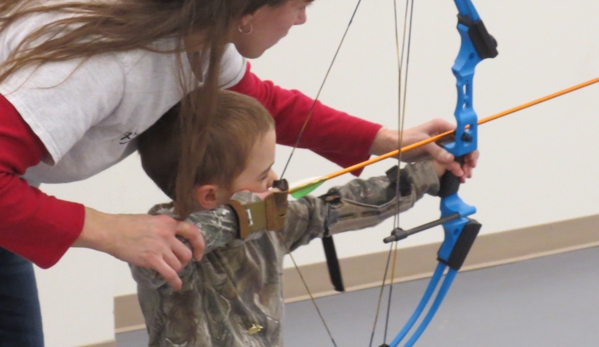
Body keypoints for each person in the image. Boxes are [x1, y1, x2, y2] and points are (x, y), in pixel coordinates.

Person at [0, 0, 476, 344]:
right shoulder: (101, 63)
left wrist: (389, 142)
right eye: (298, 5)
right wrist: (108, 228)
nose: (302, 19)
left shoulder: (192, 37)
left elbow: (266, 104)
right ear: (247, 11)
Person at [131, 89, 456, 347]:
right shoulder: (156, 243)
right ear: (210, 197)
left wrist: (428, 172)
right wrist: (245, 213)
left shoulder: (270, 222)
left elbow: (338, 205)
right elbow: (188, 240)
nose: (274, 177)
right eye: (261, 174)